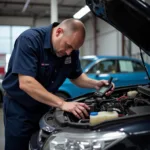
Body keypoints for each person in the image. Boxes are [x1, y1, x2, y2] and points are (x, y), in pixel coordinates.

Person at [2, 18, 115, 150]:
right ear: (58, 32)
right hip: (19, 108)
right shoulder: (30, 40)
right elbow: (26, 82)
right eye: (68, 46)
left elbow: (76, 76)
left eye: (73, 49)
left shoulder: (71, 51)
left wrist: (96, 84)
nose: (69, 52)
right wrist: (62, 103)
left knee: (42, 145)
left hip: (45, 105)